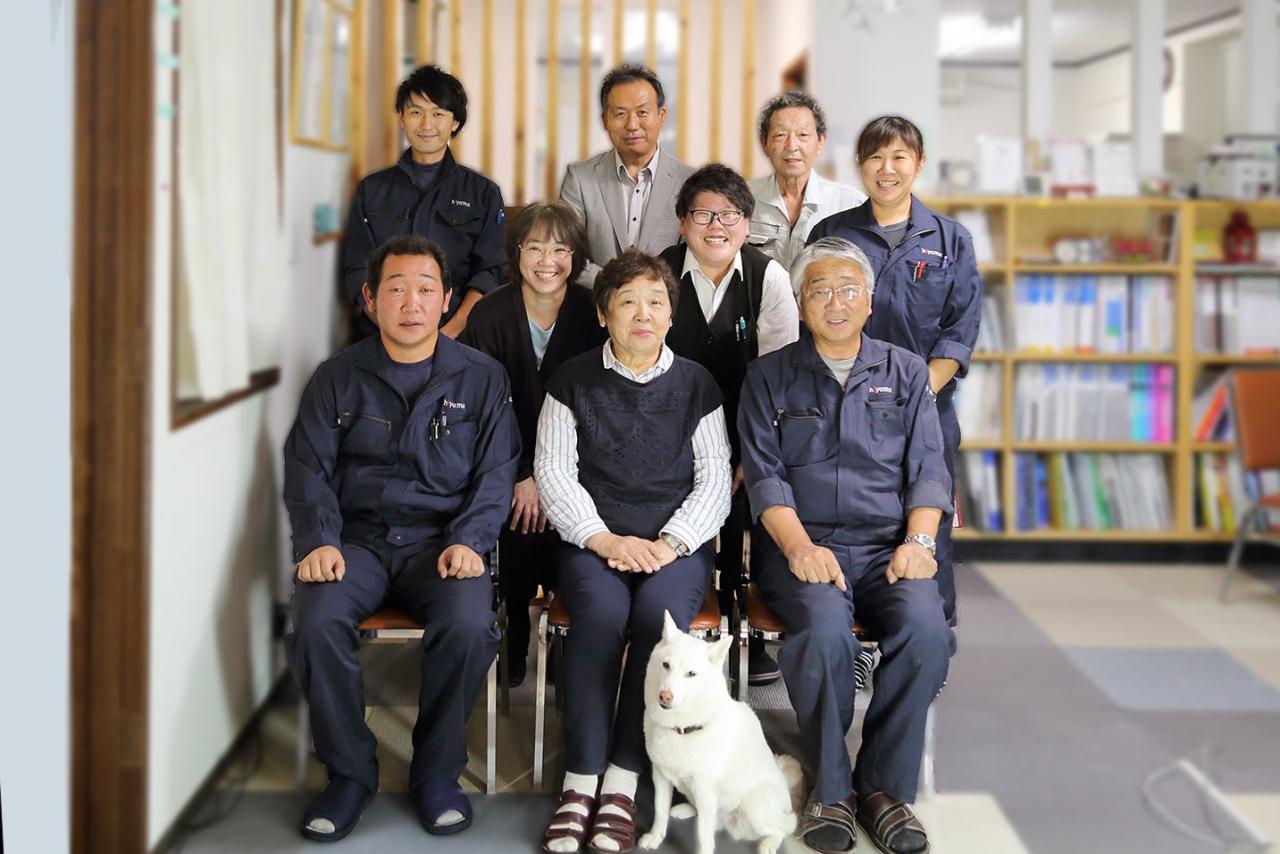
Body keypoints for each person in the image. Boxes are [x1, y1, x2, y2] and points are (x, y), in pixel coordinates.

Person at [283, 235, 519, 842]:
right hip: (355, 543)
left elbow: (497, 473)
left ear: (445, 301)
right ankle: (349, 773)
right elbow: (306, 465)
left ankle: (437, 774)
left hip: (441, 545)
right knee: (313, 620)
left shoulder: (482, 378)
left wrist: (471, 538)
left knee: (469, 626)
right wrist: (317, 541)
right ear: (370, 299)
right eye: (395, 289)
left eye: (424, 289)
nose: (410, 303)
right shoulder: (336, 377)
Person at [738, 237, 955, 854]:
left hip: (891, 547)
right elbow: (764, 475)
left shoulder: (907, 371)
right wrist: (800, 546)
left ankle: (884, 788)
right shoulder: (768, 377)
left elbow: (930, 470)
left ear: (870, 299)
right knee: (825, 634)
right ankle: (831, 790)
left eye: (847, 289)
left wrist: (918, 539)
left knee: (927, 632)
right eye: (819, 290)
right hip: (802, 547)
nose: (835, 302)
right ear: (801, 305)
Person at [533, 250, 731, 854]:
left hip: (677, 544)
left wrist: (670, 543)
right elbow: (553, 471)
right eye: (627, 302)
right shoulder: (571, 378)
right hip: (593, 540)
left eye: (655, 302)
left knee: (658, 625)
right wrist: (603, 538)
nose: (642, 314)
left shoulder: (697, 382)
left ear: (671, 315)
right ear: (603, 313)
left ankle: (621, 780)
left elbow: (715, 478)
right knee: (600, 616)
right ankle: (579, 781)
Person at [806, 115, 982, 620]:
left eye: (899, 157)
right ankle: (853, 631)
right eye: (875, 157)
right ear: (860, 166)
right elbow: (813, 317)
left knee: (927, 519)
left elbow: (960, 329)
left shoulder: (951, 240)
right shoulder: (832, 233)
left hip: (925, 406)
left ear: (918, 163)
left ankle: (929, 636)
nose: (887, 169)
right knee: (846, 517)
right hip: (838, 403)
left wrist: (913, 392)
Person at [657, 162, 798, 685]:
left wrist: (746, 456)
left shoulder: (769, 278)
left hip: (745, 428)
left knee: (748, 508)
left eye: (730, 214)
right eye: (703, 214)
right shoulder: (659, 273)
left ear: (746, 223)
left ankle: (748, 634)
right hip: (671, 431)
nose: (716, 225)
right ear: (681, 222)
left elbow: (775, 380)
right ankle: (681, 625)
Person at [461, 201, 607, 686]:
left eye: (561, 248)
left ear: (577, 255)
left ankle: (571, 636)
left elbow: (597, 404)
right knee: (520, 527)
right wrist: (524, 473)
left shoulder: (592, 312)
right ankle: (516, 625)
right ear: (516, 251)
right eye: (536, 247)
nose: (548, 260)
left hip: (577, 464)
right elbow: (487, 408)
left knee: (570, 532)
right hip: (509, 459)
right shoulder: (489, 314)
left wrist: (553, 477)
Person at [343, 65, 506, 341]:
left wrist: (449, 334)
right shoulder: (371, 190)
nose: (426, 125)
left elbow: (489, 274)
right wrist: (388, 328)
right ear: (402, 119)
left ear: (454, 123)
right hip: (379, 336)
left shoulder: (483, 193)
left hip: (458, 337)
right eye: (416, 112)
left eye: (438, 114)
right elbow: (357, 271)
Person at [559, 64, 695, 283]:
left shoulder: (688, 181)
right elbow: (566, 252)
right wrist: (615, 288)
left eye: (642, 113)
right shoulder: (580, 178)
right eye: (620, 114)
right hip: (595, 305)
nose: (632, 125)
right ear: (605, 121)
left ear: (661, 116)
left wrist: (650, 293)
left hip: (666, 308)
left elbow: (693, 255)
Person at [747, 90, 865, 270]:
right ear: (765, 143)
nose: (791, 146)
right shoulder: (742, 198)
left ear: (821, 142)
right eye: (780, 135)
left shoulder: (851, 203)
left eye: (802, 135)